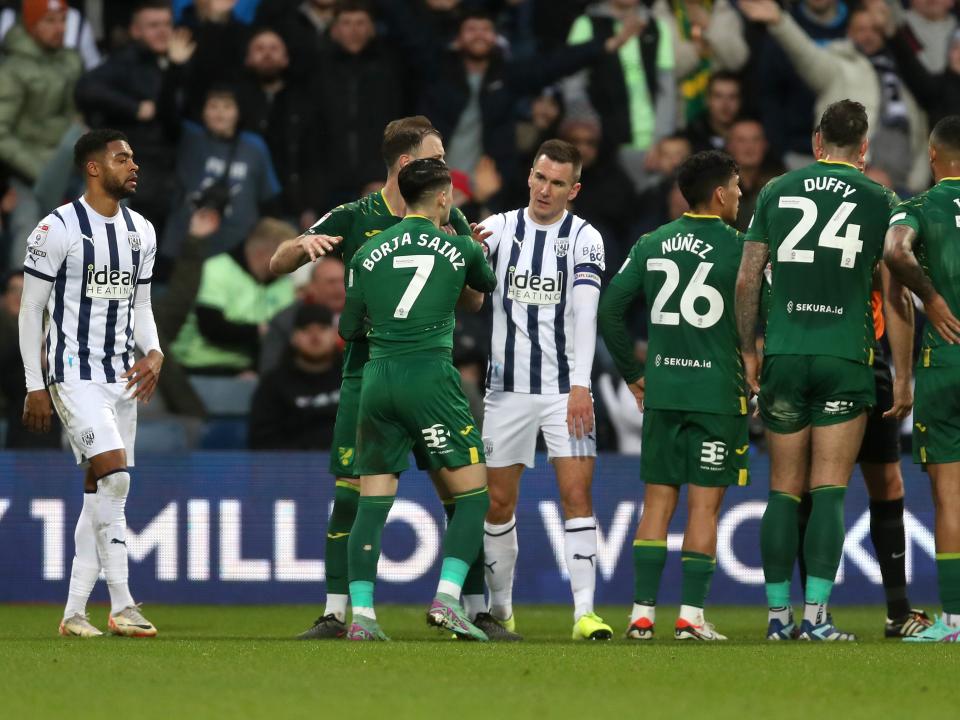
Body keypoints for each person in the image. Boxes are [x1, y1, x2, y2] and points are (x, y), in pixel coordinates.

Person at [269, 116, 506, 640]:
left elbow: (473, 300)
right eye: (437, 157)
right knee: (358, 496)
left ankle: (466, 606)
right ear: (408, 164)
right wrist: (300, 250)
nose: (446, 167)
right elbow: (277, 259)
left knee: (446, 493)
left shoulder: (452, 216)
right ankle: (337, 614)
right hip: (382, 377)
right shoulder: (355, 216)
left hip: (380, 375)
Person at [735, 100, 909, 641]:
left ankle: (776, 618)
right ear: (863, 149)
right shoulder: (881, 197)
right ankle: (817, 618)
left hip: (785, 354)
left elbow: (747, 278)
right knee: (829, 489)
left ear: (817, 143)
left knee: (784, 491)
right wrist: (902, 373)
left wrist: (748, 350)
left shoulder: (775, 191)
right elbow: (896, 283)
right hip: (846, 356)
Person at [338, 157, 497, 641]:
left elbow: (347, 329)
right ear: (445, 198)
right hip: (429, 375)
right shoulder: (460, 247)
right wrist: (463, 231)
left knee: (372, 503)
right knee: (473, 496)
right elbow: (485, 287)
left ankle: (361, 617)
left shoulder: (365, 253)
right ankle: (448, 599)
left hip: (377, 378)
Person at [18, 128, 163, 638]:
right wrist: (35, 383)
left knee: (100, 491)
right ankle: (123, 604)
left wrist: (155, 351)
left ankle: (74, 612)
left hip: (121, 377)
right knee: (116, 479)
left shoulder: (141, 231)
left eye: (134, 158)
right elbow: (31, 309)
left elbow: (140, 305)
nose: (134, 165)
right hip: (72, 374)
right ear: (94, 168)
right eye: (122, 158)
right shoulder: (56, 229)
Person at [598, 150, 746, 641]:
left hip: (662, 391)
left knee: (656, 504)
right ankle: (690, 617)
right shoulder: (742, 248)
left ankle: (641, 616)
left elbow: (611, 310)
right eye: (738, 187)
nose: (742, 195)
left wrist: (633, 374)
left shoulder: (651, 243)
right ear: (721, 193)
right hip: (717, 395)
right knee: (704, 508)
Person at [475, 139, 611, 640]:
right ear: (529, 175)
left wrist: (580, 386)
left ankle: (584, 614)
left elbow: (586, 313)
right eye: (539, 177)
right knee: (497, 503)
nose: (545, 190)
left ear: (573, 188)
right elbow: (466, 284)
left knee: (577, 494)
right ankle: (501, 610)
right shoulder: (496, 228)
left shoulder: (585, 238)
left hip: (562, 391)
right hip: (506, 390)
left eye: (557, 183)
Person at [884, 115, 960, 642]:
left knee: (950, 498)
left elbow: (895, 251)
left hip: (946, 362)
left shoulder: (918, 207)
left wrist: (929, 297)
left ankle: (955, 621)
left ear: (934, 157)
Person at [742, 0, 930, 195]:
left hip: (908, 186)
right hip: (853, 182)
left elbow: (926, 106)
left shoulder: (902, 68)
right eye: (861, 29)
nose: (868, 35)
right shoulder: (838, 65)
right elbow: (807, 56)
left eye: (875, 29)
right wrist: (780, 22)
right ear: (848, 32)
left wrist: (918, 180)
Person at [0, 0, 84, 269]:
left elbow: (77, 118)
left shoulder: (71, 61)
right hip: (26, 171)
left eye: (62, 20)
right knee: (30, 227)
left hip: (71, 165)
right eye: (49, 21)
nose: (59, 28)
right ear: (31, 24)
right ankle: (20, 296)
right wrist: (40, 170)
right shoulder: (11, 69)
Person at [170, 217, 296, 375]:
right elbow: (212, 326)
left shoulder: (284, 284)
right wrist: (259, 332)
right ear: (263, 253)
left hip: (252, 370)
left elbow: (287, 333)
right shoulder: (217, 269)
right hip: (199, 366)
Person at [249, 303, 341, 449]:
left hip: (350, 465)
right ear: (293, 337)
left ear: (336, 334)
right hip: (290, 467)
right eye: (306, 330)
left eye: (323, 329)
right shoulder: (273, 385)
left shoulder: (356, 377)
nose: (315, 337)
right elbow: (263, 441)